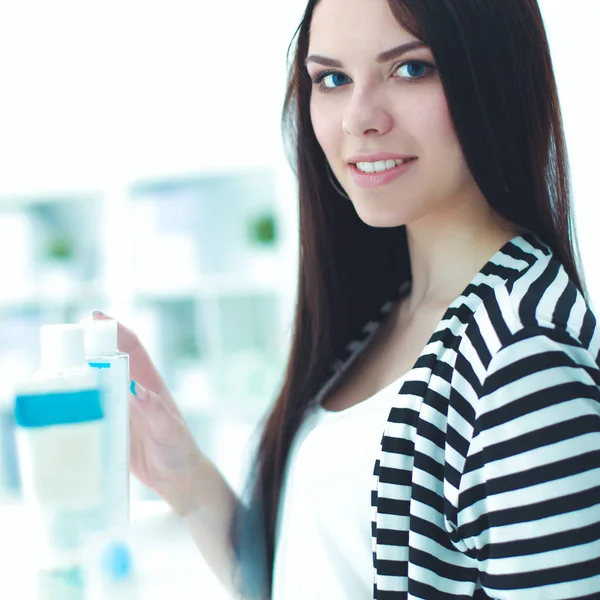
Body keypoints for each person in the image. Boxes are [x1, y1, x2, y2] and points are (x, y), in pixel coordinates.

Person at [94, 0, 600, 598]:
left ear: (494, 69)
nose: (359, 118)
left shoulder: (523, 364)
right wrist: (183, 476)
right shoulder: (385, 317)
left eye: (411, 69)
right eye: (331, 79)